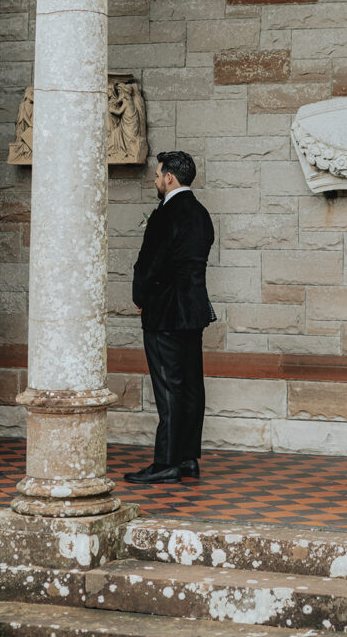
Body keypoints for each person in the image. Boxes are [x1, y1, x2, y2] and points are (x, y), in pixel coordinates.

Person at [124, 151, 216, 484]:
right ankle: (188, 458)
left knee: (168, 388)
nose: (155, 180)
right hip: (193, 312)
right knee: (191, 385)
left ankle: (166, 462)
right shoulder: (202, 214)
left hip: (165, 313)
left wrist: (140, 296)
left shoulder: (166, 213)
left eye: (157, 174)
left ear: (170, 178)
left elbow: (150, 261)